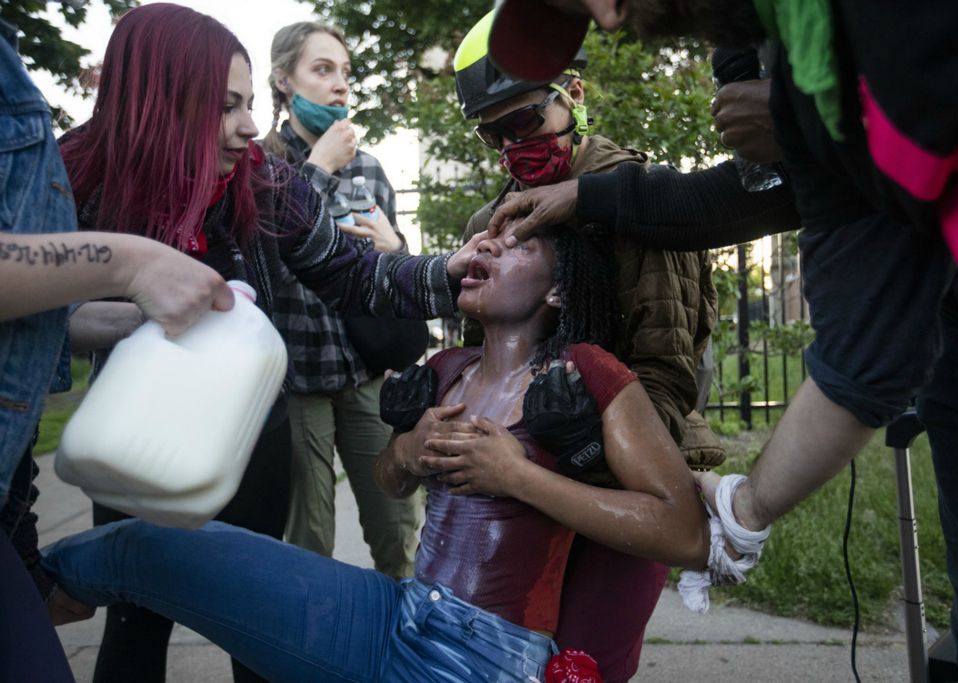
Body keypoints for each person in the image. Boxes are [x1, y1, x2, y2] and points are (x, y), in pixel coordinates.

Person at [485, 1, 958, 679]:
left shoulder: (855, 48)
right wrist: (744, 509)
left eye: (524, 120)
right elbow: (861, 341)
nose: (612, 20)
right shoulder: (785, 58)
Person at [41, 224, 712, 682]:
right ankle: (36, 588)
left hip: (484, 659)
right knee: (144, 545)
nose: (488, 246)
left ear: (559, 289)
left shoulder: (584, 372)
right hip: (397, 613)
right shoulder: (447, 367)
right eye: (485, 236)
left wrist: (518, 476)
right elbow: (385, 481)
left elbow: (681, 530)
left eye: (518, 244)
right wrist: (408, 451)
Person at [54, 5, 478, 682]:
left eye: (249, 103)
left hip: (253, 434)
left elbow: (354, 272)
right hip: (135, 436)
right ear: (158, 99)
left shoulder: (263, 181)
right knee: (133, 620)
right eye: (226, 106)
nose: (250, 126)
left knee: (258, 628)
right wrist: (127, 313)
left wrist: (449, 272)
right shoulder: (65, 179)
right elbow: (34, 319)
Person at [442, 11, 796, 680]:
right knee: (498, 656)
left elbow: (667, 373)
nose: (512, 145)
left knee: (584, 663)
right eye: (493, 133)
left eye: (522, 121)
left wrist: (584, 448)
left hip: (628, 480)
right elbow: (475, 361)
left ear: (570, 95)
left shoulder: (642, 198)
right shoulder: (486, 223)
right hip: (518, 481)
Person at [0, 14, 235, 683]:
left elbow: (25, 319)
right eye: (226, 105)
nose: (247, 128)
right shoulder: (81, 163)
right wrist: (126, 263)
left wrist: (99, 318)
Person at [260, 21, 421, 576]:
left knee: (399, 528)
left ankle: (402, 646)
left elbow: (395, 273)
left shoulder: (370, 169)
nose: (340, 86)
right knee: (307, 539)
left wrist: (396, 247)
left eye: (345, 73)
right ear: (284, 80)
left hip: (365, 370)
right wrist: (318, 169)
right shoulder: (261, 165)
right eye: (322, 69)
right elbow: (270, 260)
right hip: (298, 375)